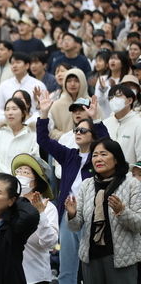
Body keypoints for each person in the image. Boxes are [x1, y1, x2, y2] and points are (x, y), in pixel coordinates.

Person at [36, 90, 109, 284]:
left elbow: (109, 145)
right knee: (67, 269)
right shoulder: (69, 155)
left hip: (94, 216)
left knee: (92, 269)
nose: (77, 133)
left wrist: (97, 120)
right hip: (69, 215)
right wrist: (44, 114)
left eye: (83, 131)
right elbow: (43, 141)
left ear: (93, 135)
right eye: (76, 130)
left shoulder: (101, 158)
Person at [65, 138, 141, 283]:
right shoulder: (87, 185)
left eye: (103, 154)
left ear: (116, 158)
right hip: (90, 258)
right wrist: (72, 213)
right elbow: (75, 226)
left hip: (121, 259)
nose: (98, 159)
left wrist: (122, 211)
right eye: (94, 155)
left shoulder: (132, 184)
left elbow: (139, 225)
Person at [0, 97, 39, 174]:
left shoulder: (32, 135)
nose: (10, 113)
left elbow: (33, 160)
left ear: (23, 113)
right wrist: (7, 179)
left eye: (14, 109)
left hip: (24, 181)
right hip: (1, 181)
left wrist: (19, 178)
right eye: (7, 109)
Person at [103, 85, 141, 165]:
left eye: (118, 96)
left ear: (130, 100)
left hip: (130, 175)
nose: (113, 100)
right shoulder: (105, 123)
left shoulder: (138, 124)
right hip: (106, 174)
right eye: (111, 97)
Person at [49, 68, 91, 140]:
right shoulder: (56, 105)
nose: (72, 84)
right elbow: (51, 129)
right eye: (69, 81)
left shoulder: (91, 103)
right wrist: (65, 136)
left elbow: (99, 124)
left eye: (76, 81)